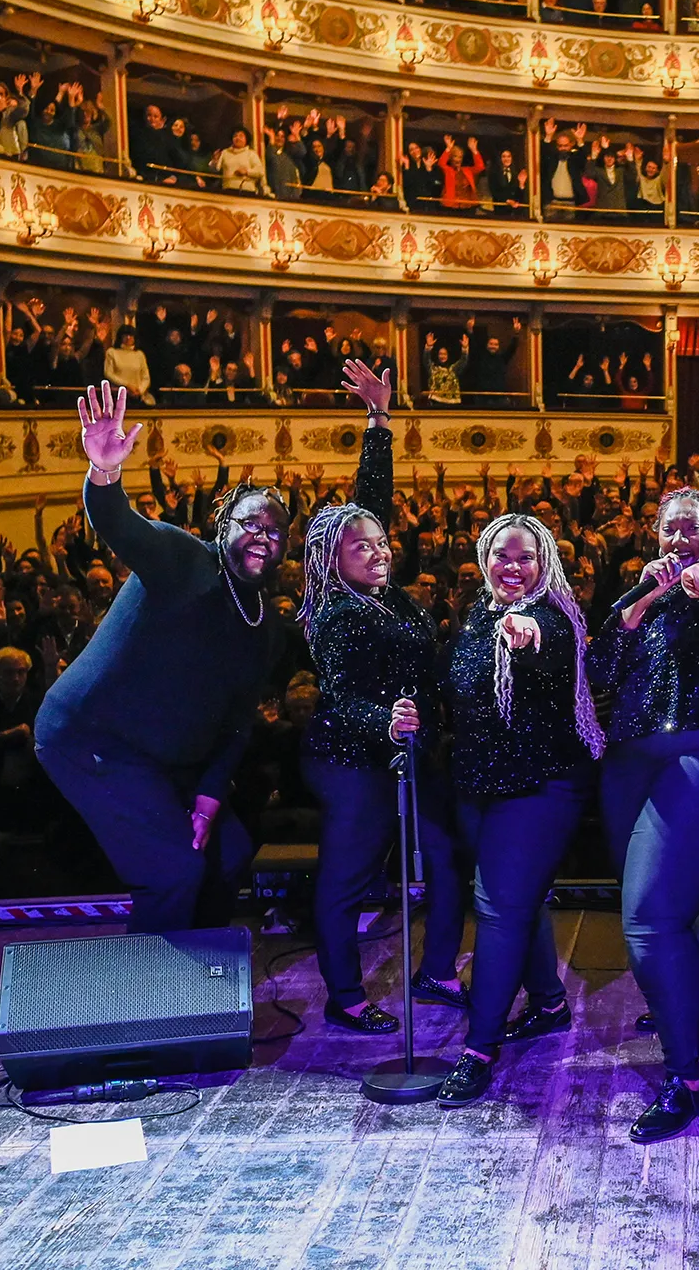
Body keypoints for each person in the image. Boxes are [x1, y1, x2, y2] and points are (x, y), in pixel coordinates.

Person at [35, 383, 284, 933]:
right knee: (173, 870)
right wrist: (103, 473)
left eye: (275, 530)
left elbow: (238, 725)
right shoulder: (183, 559)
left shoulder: (264, 624)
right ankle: (149, 1004)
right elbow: (120, 525)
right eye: (250, 523)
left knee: (230, 853)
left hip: (168, 760)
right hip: (91, 739)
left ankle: (203, 983)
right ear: (223, 531)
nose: (263, 535)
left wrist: (210, 797)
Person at [587, 487, 699, 1142]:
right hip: (631, 757)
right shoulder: (643, 594)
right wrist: (638, 601)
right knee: (669, 898)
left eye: (690, 528)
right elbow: (598, 667)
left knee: (649, 916)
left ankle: (686, 1080)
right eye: (668, 530)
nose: (677, 539)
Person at [295, 360, 467, 1036]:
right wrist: (385, 718)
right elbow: (337, 693)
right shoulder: (337, 611)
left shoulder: (389, 594)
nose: (377, 549)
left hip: (409, 744)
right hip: (353, 757)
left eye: (380, 542)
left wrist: (379, 422)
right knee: (349, 876)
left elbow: (371, 503)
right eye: (359, 546)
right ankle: (345, 993)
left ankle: (439, 969)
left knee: (446, 858)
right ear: (331, 560)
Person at [434, 513, 605, 1107]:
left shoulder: (550, 618)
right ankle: (550, 1002)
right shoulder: (476, 617)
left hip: (542, 784)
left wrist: (524, 636)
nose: (512, 567)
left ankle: (479, 1047)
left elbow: (543, 648)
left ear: (544, 564)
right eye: (501, 557)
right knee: (517, 897)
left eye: (524, 558)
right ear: (485, 560)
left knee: (500, 907)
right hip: (483, 783)